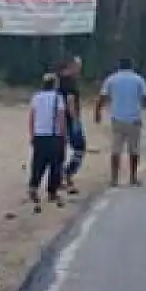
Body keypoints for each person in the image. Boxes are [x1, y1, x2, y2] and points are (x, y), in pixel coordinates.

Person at [93, 57, 146, 187]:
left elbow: (101, 97)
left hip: (117, 119)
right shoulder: (138, 79)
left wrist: (97, 113)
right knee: (134, 150)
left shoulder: (112, 79)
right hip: (134, 119)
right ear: (132, 66)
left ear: (119, 66)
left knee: (116, 150)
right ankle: (133, 177)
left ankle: (114, 178)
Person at [27, 73, 67, 211]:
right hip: (53, 135)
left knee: (38, 163)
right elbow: (61, 118)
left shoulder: (36, 97)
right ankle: (52, 192)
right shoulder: (58, 98)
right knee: (55, 165)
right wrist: (63, 135)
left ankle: (33, 187)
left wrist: (32, 134)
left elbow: (31, 117)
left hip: (39, 135)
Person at [57, 56, 85, 194]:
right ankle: (67, 174)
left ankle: (61, 176)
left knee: (62, 149)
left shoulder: (59, 79)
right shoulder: (70, 82)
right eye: (78, 66)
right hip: (68, 119)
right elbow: (70, 101)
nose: (80, 70)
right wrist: (75, 120)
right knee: (79, 148)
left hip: (58, 119)